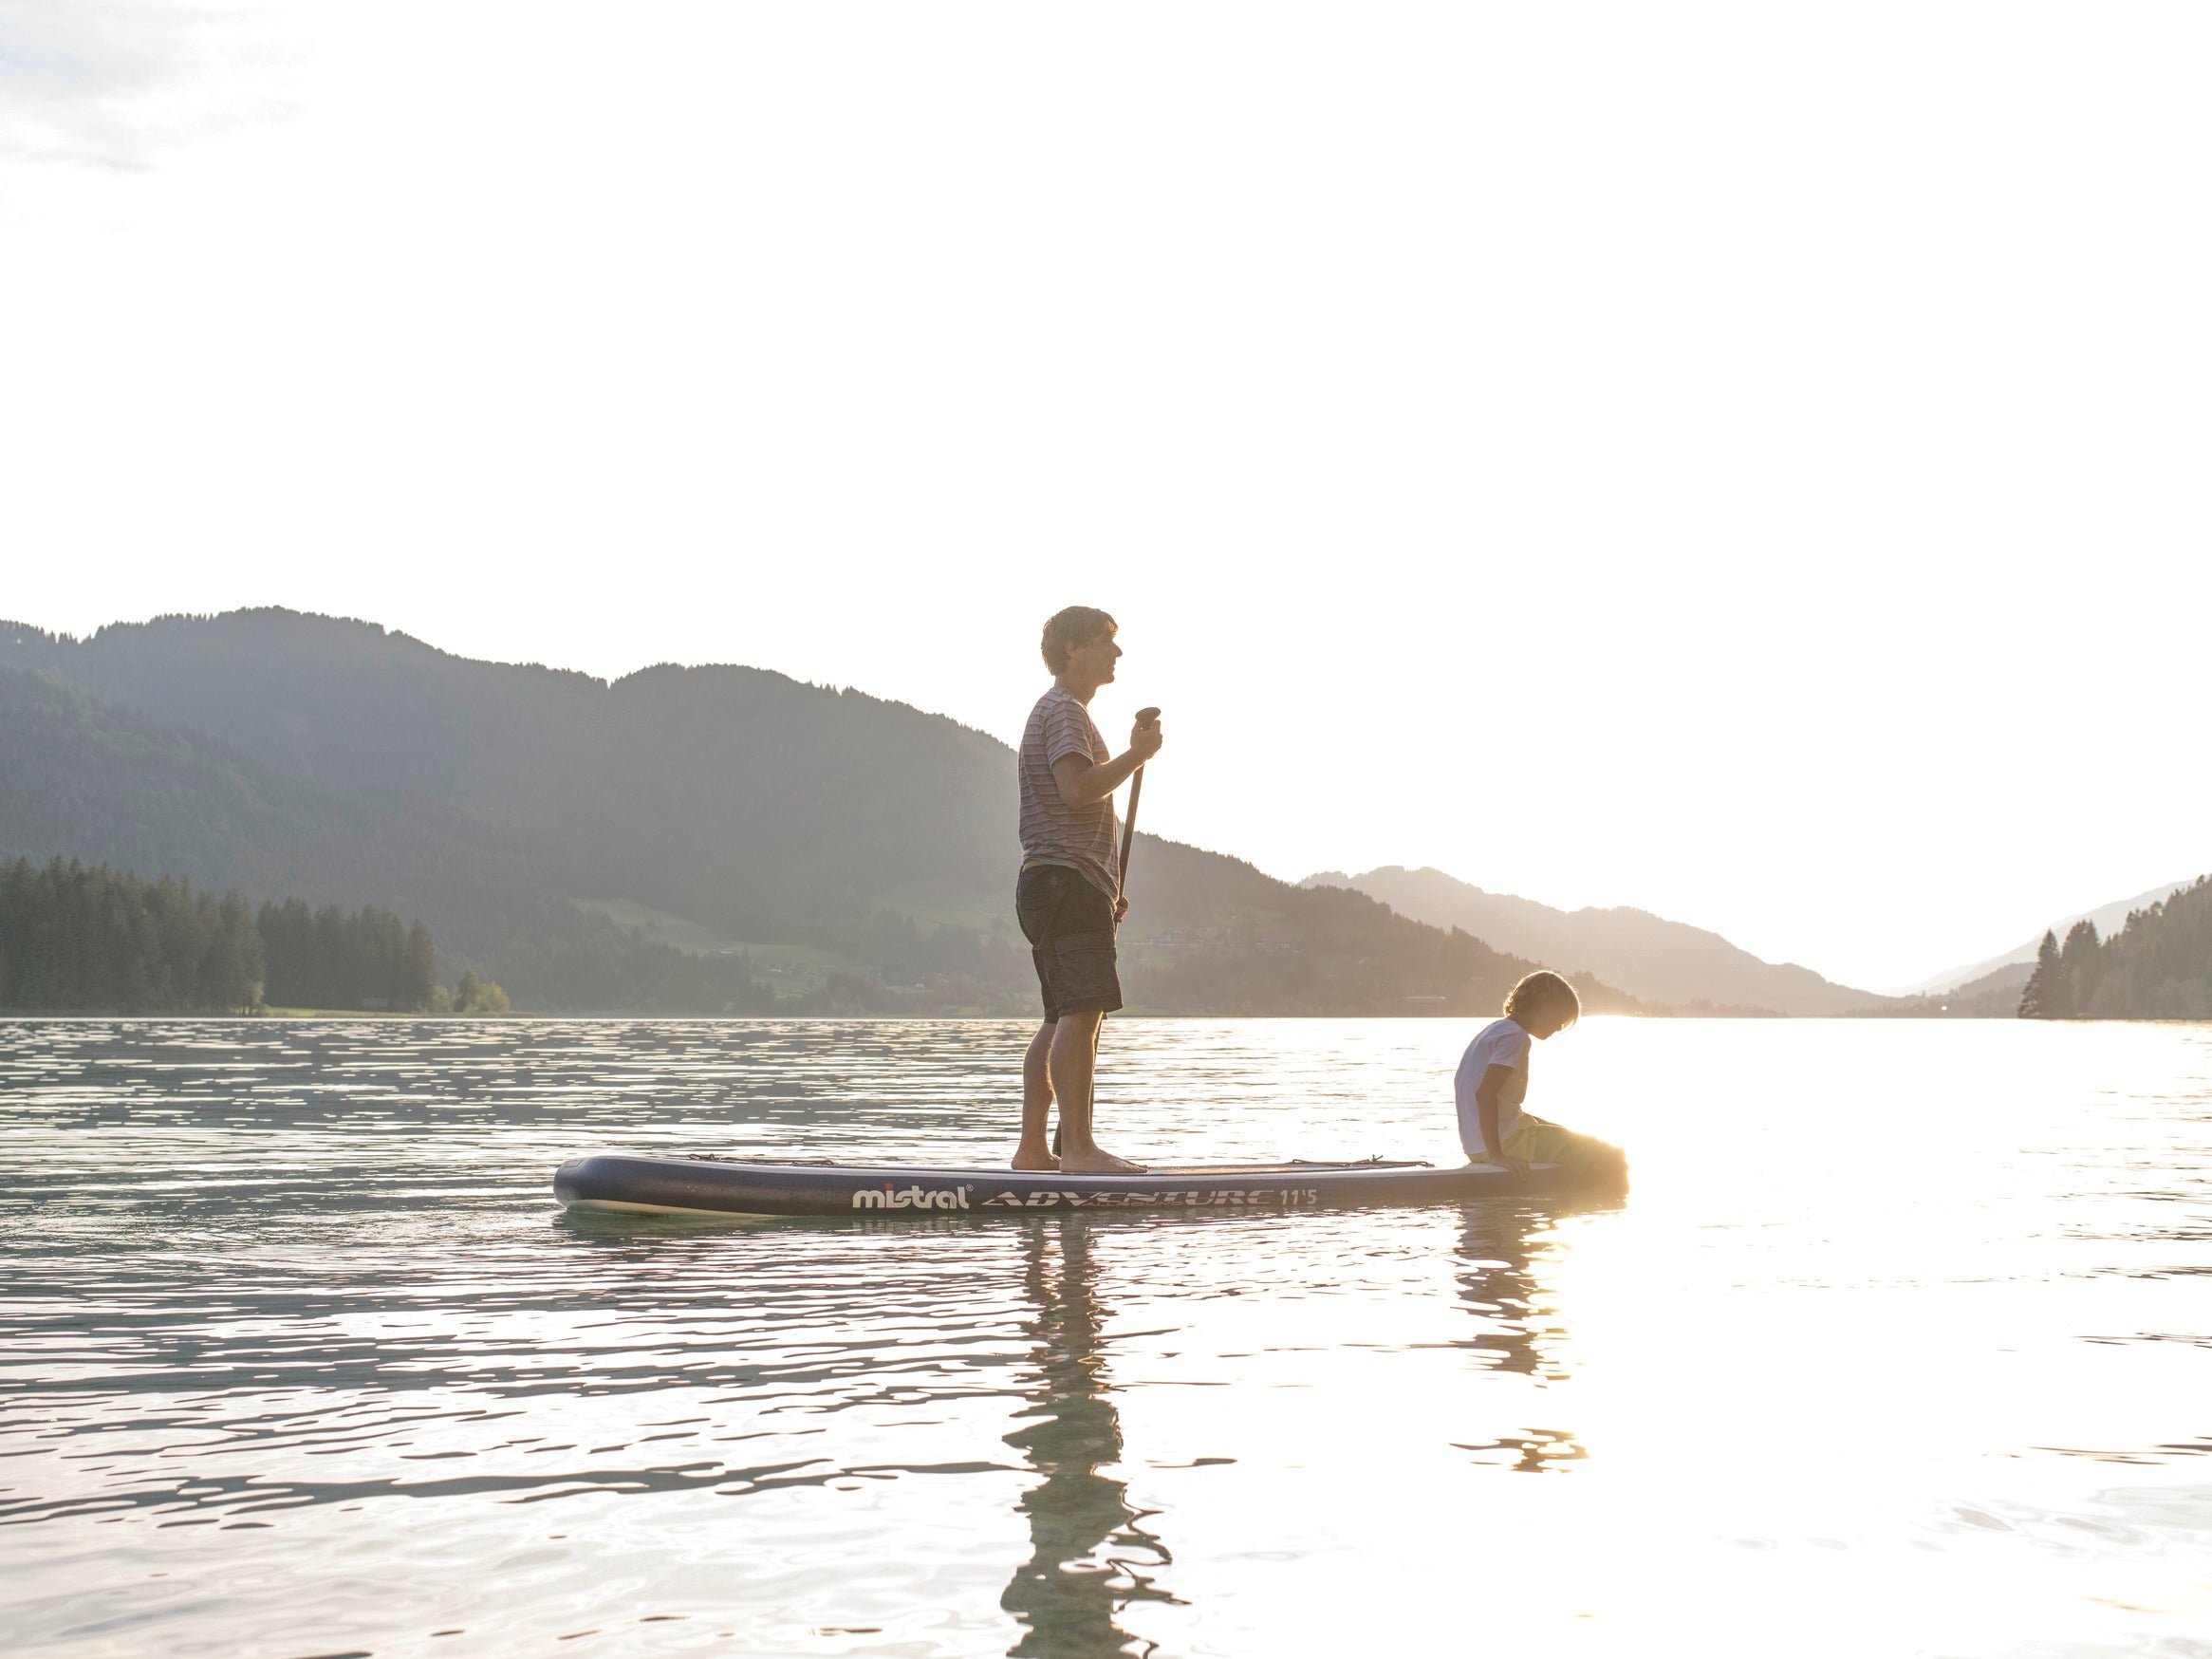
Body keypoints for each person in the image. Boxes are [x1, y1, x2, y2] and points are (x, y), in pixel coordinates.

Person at [1013, 606, 1162, 1174]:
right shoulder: (1065, 713)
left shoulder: (1056, 712)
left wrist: (1106, 883)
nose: (1117, 653)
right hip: (1066, 881)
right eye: (1107, 642)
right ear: (1073, 648)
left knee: (1058, 1017)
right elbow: (1076, 791)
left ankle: (1033, 1151)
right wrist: (1136, 756)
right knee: (1081, 1012)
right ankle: (1076, 1149)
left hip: (1056, 881)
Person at [1456, 970, 1626, 1184]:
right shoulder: (1515, 1038)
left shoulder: (1494, 1031)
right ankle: (1603, 1207)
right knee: (1611, 1156)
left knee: (1564, 1134)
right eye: (1560, 1018)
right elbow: (1485, 1093)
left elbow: (1500, 1103)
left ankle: (1557, 1208)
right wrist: (1497, 1155)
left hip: (1475, 1147)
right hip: (1505, 1144)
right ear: (1544, 1006)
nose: (1559, 1027)